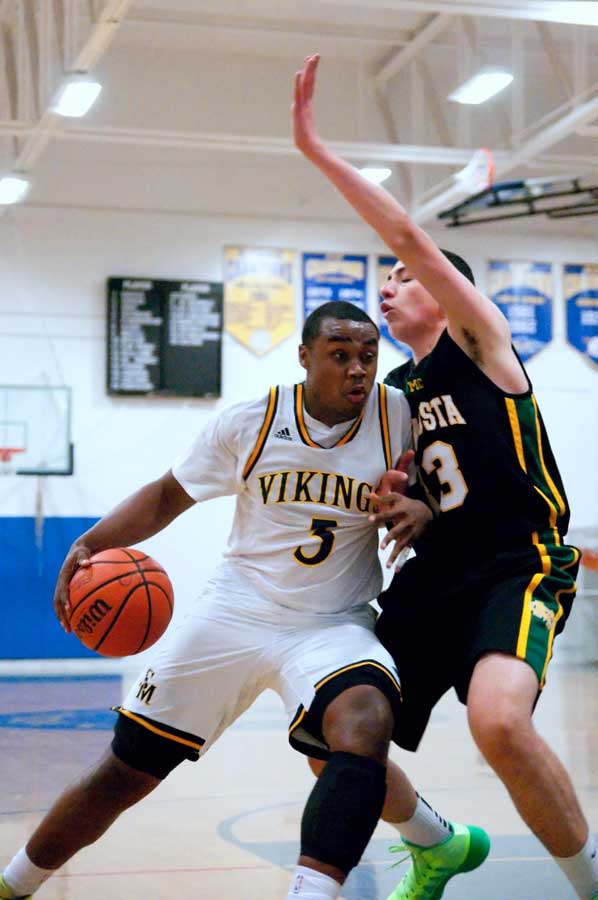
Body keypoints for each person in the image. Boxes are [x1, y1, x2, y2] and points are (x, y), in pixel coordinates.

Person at [0, 301, 488, 900]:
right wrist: (91, 542)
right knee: (123, 773)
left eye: (367, 355)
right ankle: (14, 884)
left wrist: (425, 510)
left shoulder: (398, 416)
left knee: (365, 721)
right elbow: (165, 496)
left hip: (332, 624)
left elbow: (461, 485)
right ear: (305, 358)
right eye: (339, 355)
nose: (357, 369)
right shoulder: (251, 422)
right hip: (235, 611)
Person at [293, 53, 598, 900]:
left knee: (498, 722)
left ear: (447, 292)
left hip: (518, 563)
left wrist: (319, 151)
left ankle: (589, 881)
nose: (386, 290)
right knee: (329, 733)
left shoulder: (479, 346)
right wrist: (407, 505)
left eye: (398, 280)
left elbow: (408, 238)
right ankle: (435, 842)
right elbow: (410, 486)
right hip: (438, 577)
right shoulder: (396, 393)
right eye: (386, 283)